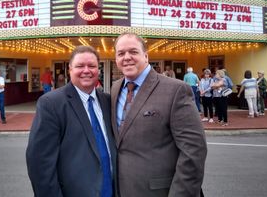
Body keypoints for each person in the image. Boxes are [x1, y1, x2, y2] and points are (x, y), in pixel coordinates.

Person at [111, 32, 207, 197]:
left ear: (146, 56)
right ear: (116, 59)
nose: (126, 57)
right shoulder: (115, 88)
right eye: (121, 53)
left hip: (160, 191)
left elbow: (193, 151)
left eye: (133, 52)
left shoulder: (176, 89)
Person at [26, 46, 116, 197]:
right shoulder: (51, 103)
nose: (86, 70)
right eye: (80, 66)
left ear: (98, 70)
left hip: (111, 190)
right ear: (70, 69)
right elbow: (40, 163)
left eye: (92, 66)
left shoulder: (107, 100)